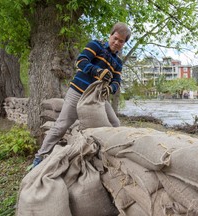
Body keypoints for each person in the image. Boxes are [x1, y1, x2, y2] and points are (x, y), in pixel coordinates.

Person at [31, 22, 131, 168]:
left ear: (124, 43)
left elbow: (117, 81)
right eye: (115, 38)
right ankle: (40, 156)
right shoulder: (96, 45)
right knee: (61, 125)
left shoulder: (118, 62)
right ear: (110, 35)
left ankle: (111, 156)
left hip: (97, 98)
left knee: (115, 123)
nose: (116, 43)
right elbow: (81, 61)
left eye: (121, 41)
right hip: (78, 91)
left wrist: (110, 89)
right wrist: (97, 71)